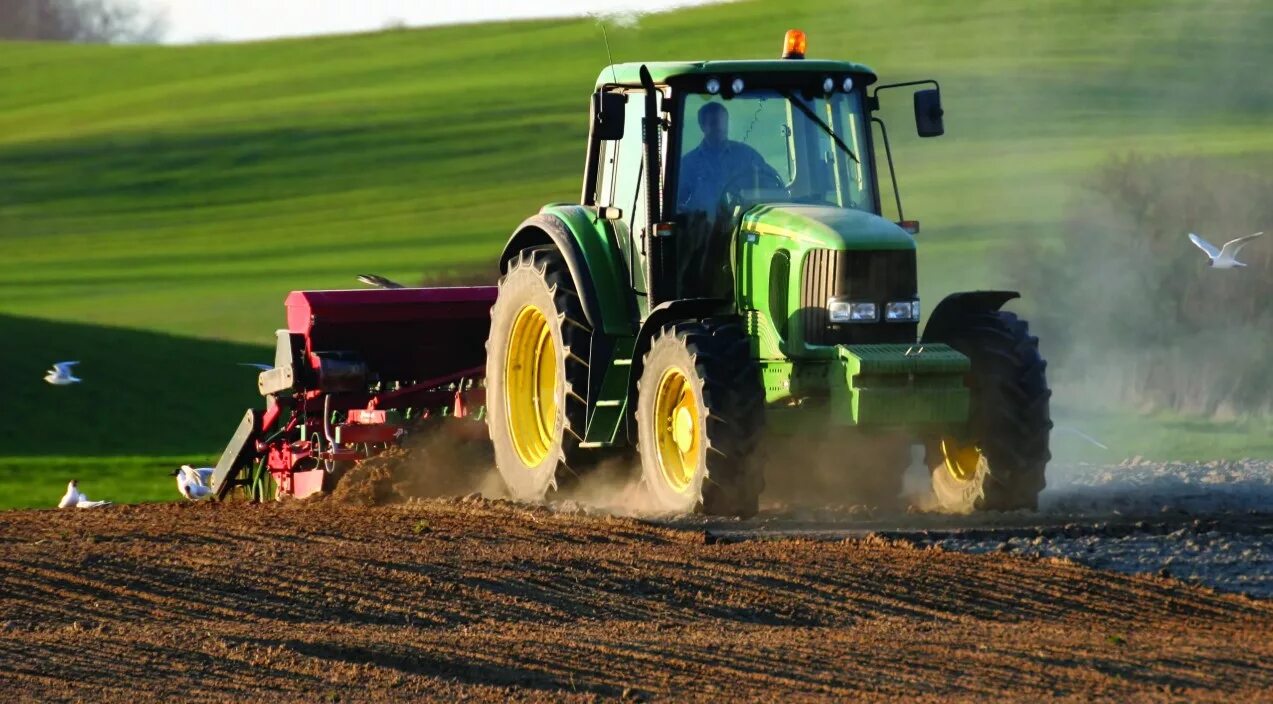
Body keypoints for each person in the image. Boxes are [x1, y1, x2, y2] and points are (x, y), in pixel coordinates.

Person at [676, 101, 782, 216]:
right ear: (702, 126)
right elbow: (677, 204)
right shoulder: (688, 164)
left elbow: (774, 186)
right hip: (704, 230)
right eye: (714, 123)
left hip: (742, 227)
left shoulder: (747, 156)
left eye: (724, 122)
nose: (720, 128)